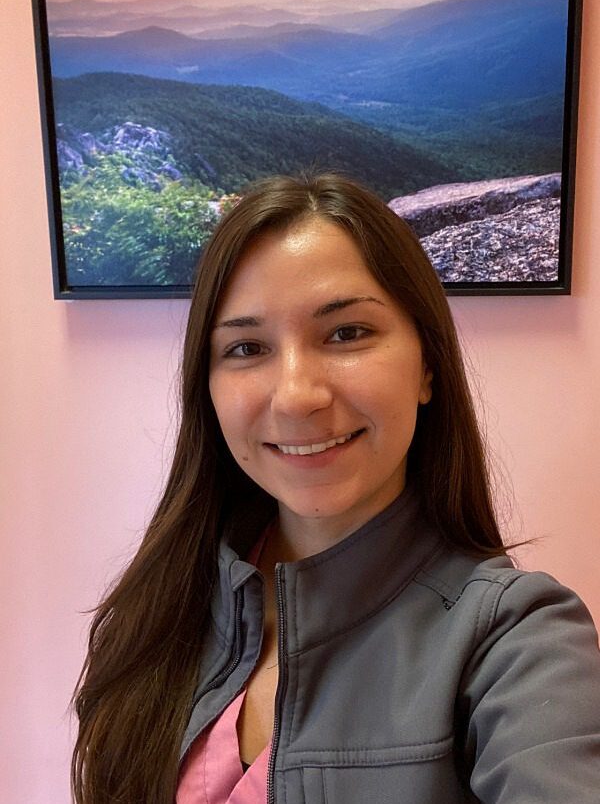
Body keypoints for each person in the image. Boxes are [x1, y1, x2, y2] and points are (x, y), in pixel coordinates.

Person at [71, 173, 600, 804]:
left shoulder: (515, 640)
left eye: (346, 333)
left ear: (427, 364)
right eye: (246, 347)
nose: (297, 396)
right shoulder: (158, 612)